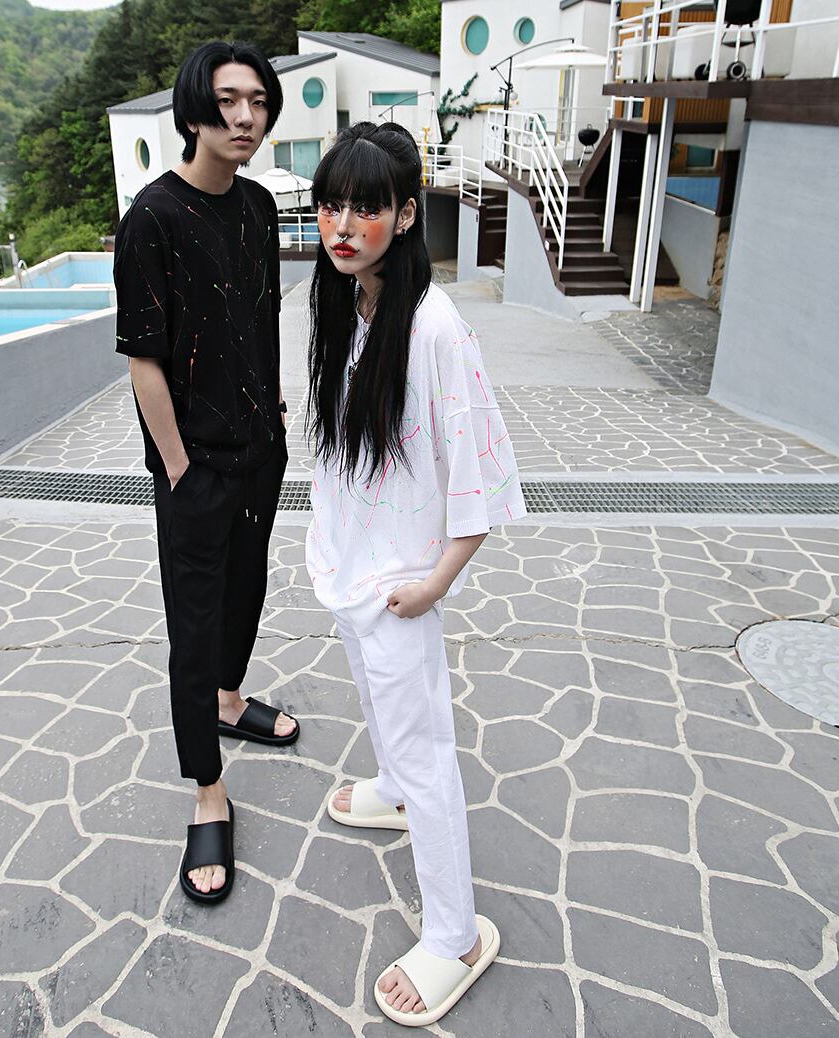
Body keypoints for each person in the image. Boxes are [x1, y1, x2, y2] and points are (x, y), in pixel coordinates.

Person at [304, 122, 527, 1027]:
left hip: (400, 583)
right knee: (382, 718)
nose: (341, 224)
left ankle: (455, 935)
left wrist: (434, 584)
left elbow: (483, 473)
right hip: (353, 570)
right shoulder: (350, 302)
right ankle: (389, 792)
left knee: (428, 756)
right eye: (330, 204)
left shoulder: (435, 328)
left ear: (405, 214)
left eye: (365, 207)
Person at [113, 40, 299, 906]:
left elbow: (261, 322)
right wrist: (180, 469)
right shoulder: (151, 218)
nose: (246, 117)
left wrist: (277, 415)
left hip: (262, 453)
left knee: (248, 590)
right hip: (196, 469)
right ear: (194, 109)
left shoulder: (258, 206)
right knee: (193, 626)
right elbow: (143, 361)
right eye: (229, 100)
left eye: (259, 101)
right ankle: (207, 790)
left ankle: (230, 700)